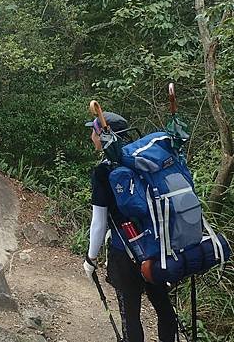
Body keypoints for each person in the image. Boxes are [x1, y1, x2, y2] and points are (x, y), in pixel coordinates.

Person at [83, 112, 178, 342]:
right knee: (164, 309)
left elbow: (99, 222)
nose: (91, 136)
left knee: (131, 316)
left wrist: (91, 258)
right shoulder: (143, 162)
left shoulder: (103, 172)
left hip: (124, 253)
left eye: (94, 131)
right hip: (155, 248)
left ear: (106, 136)